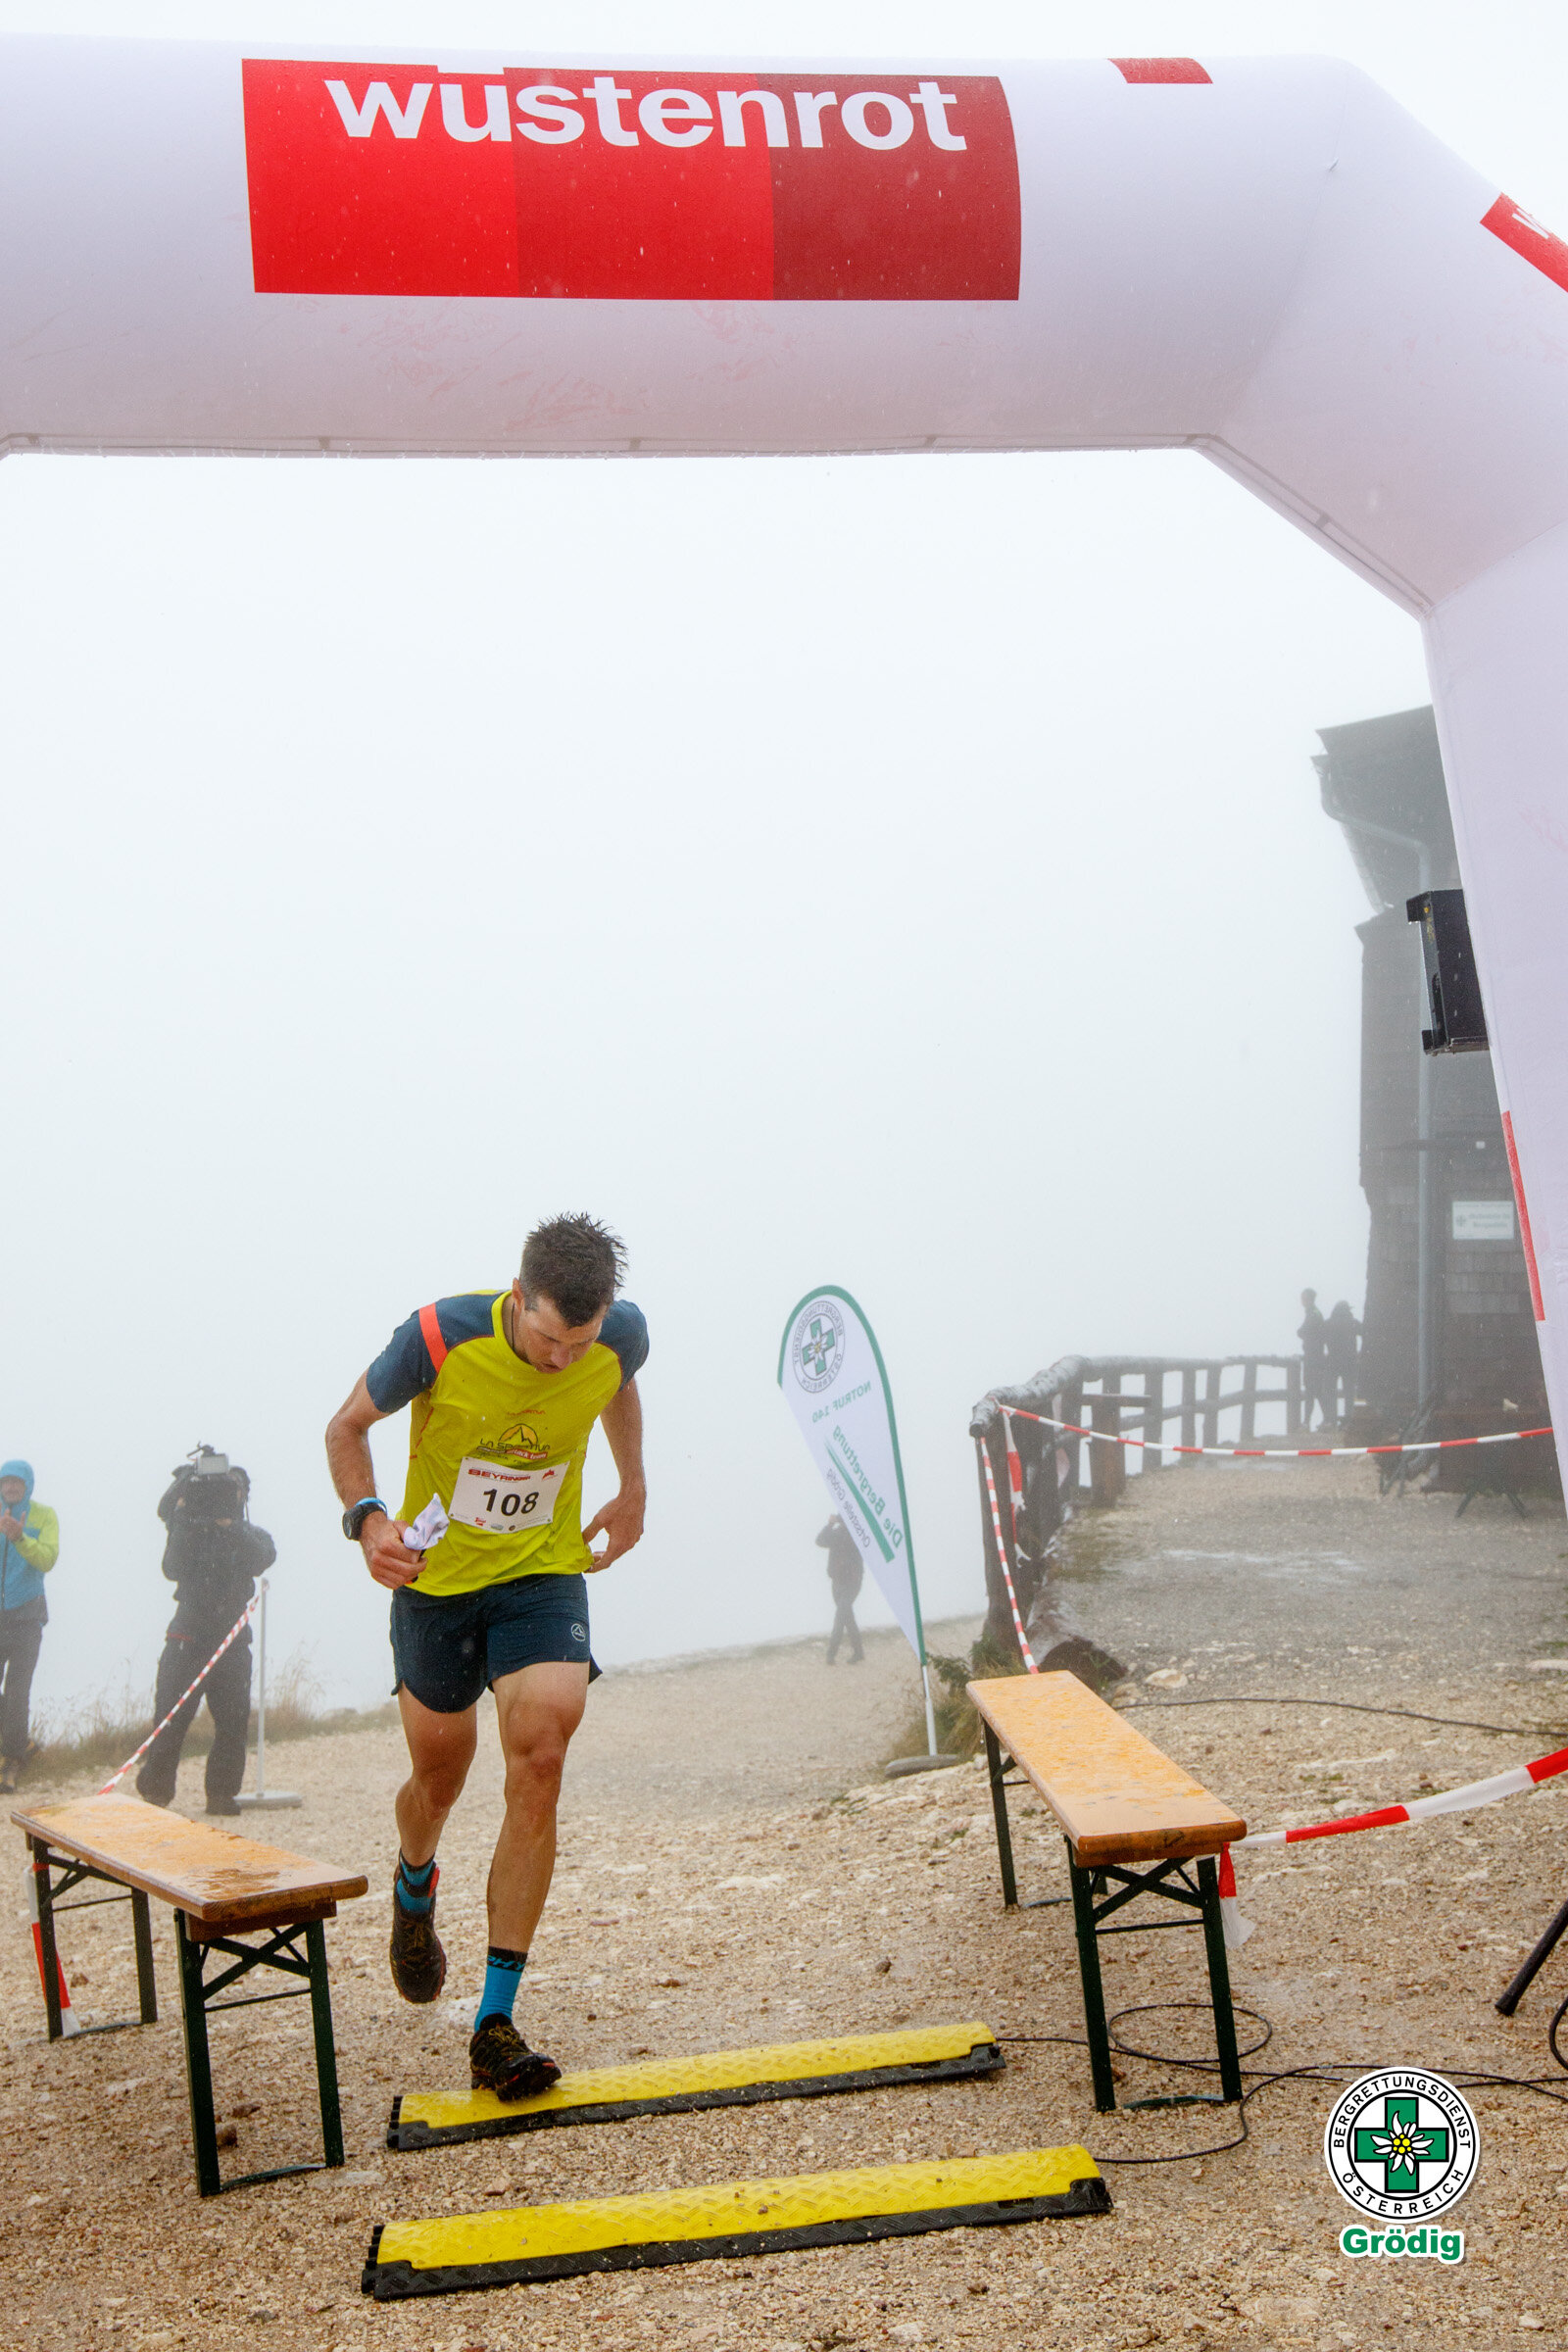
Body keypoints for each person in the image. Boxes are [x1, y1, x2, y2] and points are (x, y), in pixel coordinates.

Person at [324, 1213, 648, 2104]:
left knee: (540, 1757)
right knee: (441, 1774)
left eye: (579, 1343)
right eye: (548, 1339)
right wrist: (368, 1522)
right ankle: (414, 1879)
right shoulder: (438, 1336)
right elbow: (346, 1430)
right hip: (436, 1584)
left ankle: (495, 2023)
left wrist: (633, 1486)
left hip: (541, 1574)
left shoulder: (614, 1340)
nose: (562, 1360)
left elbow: (618, 1384)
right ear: (517, 1299)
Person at [135, 1447, 275, 1816]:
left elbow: (264, 1557)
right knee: (169, 1716)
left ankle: (221, 1794)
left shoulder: (247, 1533)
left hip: (231, 1637)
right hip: (188, 1632)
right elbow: (172, 1567)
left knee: (232, 1721)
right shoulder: (188, 1528)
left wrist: (232, 1526)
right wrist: (184, 1517)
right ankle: (156, 1791)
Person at [0, 1460, 59, 1795]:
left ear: (28, 1485)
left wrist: (21, 1538)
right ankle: (23, 1744)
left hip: (27, 1612)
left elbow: (47, 1560)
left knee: (18, 1688)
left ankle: (11, 1762)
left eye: (17, 1482)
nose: (10, 1487)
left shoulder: (43, 1515)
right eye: (6, 1481)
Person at [816, 1515, 864, 1664]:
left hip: (852, 1582)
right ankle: (858, 1652)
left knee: (840, 1616)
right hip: (837, 1581)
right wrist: (829, 1524)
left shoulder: (857, 1534)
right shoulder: (836, 1533)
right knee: (847, 1617)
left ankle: (831, 1654)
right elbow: (819, 1541)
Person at [1325, 1300, 1363, 1427]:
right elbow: (1365, 1332)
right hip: (1350, 1362)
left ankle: (1332, 1419)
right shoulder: (1353, 1323)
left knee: (1331, 1392)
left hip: (1332, 1363)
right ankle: (1348, 1420)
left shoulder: (1328, 1323)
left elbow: (1319, 1337)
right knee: (1349, 1393)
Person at [1298, 1288, 1330, 1430]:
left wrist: (1302, 1333)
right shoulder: (1314, 1313)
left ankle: (1320, 1420)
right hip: (1315, 1356)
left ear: (1308, 1299)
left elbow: (1303, 1331)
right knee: (1314, 1390)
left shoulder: (1313, 1314)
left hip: (1313, 1357)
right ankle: (1316, 1420)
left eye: (1303, 1298)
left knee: (1313, 1389)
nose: (1301, 1301)